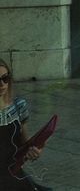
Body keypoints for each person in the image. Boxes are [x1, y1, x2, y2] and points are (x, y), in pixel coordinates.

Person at [0, 59, 48, 190]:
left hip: (13, 173)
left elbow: (25, 144)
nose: (2, 84)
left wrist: (35, 150)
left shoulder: (18, 106)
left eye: (5, 78)